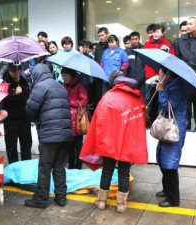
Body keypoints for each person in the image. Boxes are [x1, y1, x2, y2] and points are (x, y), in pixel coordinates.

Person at [79, 70, 147, 212]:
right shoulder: (137, 97)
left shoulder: (108, 97)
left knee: (107, 171)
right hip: (127, 142)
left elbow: (99, 120)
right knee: (124, 173)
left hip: (110, 141)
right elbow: (141, 118)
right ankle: (121, 204)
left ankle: (102, 201)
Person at [24, 64, 73, 208]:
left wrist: (35, 118)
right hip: (65, 134)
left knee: (45, 167)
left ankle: (40, 199)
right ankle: (61, 198)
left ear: (37, 74)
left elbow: (30, 111)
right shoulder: (60, 86)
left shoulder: (40, 87)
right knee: (59, 167)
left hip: (50, 134)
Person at [154, 66, 187, 207]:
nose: (158, 75)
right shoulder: (170, 85)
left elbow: (169, 107)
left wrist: (161, 92)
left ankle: (173, 199)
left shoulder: (177, 87)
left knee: (170, 164)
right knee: (162, 160)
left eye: (160, 73)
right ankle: (167, 190)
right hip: (166, 127)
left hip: (174, 129)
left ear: (168, 74)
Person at [144, 24, 175, 126]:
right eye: (154, 32)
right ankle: (145, 119)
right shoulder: (147, 44)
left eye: (158, 32)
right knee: (148, 98)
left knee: (161, 97)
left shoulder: (167, 43)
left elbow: (172, 56)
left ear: (162, 33)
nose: (155, 34)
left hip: (162, 76)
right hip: (150, 74)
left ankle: (160, 119)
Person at [1, 64, 32, 164]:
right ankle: (13, 167)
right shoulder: (5, 82)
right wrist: (14, 94)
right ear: (9, 71)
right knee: (11, 145)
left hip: (24, 118)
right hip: (11, 120)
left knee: (26, 144)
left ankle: (26, 166)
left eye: (18, 70)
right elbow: (4, 99)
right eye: (13, 71)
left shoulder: (23, 81)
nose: (16, 73)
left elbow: (27, 98)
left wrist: (21, 94)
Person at [61, 67, 88, 169]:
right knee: (69, 147)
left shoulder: (79, 86)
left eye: (65, 75)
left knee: (78, 146)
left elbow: (83, 101)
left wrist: (69, 101)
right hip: (67, 120)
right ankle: (71, 167)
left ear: (71, 75)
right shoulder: (64, 85)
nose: (64, 78)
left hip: (77, 121)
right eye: (62, 76)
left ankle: (78, 167)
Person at [127, 31, 146, 99]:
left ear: (139, 39)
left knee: (142, 100)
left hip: (143, 81)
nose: (134, 41)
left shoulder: (145, 49)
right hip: (131, 81)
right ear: (130, 40)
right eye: (132, 39)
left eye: (136, 39)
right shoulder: (128, 51)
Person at [94, 27, 109, 105]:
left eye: (102, 35)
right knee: (98, 95)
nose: (101, 37)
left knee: (107, 95)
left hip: (108, 74)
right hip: (99, 74)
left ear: (107, 34)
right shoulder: (97, 47)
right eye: (99, 36)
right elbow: (96, 60)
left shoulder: (111, 46)